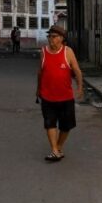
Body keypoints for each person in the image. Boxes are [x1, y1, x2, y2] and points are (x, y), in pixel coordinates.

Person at [36, 25, 83, 161]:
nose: (51, 39)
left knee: (66, 125)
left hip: (65, 97)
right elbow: (40, 72)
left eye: (54, 36)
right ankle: (54, 150)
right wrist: (38, 89)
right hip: (47, 96)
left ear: (61, 38)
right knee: (49, 123)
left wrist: (80, 87)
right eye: (49, 36)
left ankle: (59, 146)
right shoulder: (43, 52)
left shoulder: (68, 52)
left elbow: (77, 71)